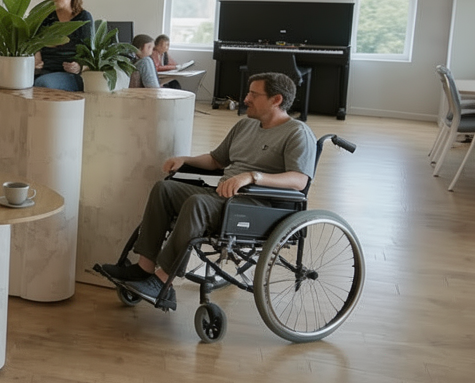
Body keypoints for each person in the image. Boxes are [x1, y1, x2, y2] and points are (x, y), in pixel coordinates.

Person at [96, 72, 315, 307]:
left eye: (254, 94)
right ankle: (144, 268)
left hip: (256, 206)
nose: (246, 99)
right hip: (224, 197)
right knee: (164, 190)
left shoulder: (297, 133)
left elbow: (299, 180)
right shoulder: (245, 125)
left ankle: (163, 281)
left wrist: (252, 176)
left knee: (197, 203)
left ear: (276, 100)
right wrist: (185, 160)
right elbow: (216, 160)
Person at [33, 0, 93, 91]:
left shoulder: (83, 18)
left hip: (69, 75)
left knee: (42, 83)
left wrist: (78, 66)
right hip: (43, 70)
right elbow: (34, 41)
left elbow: (89, 51)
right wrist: (36, 53)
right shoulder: (46, 17)